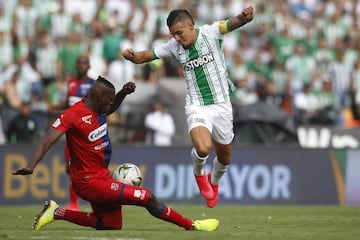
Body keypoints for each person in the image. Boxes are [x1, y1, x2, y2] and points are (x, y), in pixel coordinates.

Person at [12, 76, 219, 232]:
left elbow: (109, 108)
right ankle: (192, 225)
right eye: (110, 100)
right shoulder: (73, 115)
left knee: (110, 224)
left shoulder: (98, 107)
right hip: (88, 182)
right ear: (100, 97)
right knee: (147, 197)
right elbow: (47, 139)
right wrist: (31, 165)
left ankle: (56, 212)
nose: (112, 104)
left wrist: (122, 93)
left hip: (100, 176)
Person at [123, 6, 254, 208]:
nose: (176, 38)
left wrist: (245, 17)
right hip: (196, 104)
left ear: (191, 26)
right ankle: (199, 174)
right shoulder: (173, 47)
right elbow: (147, 55)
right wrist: (133, 56)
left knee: (225, 158)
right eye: (173, 34)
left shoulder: (211, 32)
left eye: (179, 32)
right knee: (203, 148)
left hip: (221, 105)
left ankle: (214, 182)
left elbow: (233, 23)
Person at [48, 54, 96, 211]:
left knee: (88, 168)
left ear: (88, 66)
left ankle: (95, 201)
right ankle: (73, 203)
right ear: (77, 66)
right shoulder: (71, 83)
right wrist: (55, 107)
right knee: (70, 167)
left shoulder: (93, 85)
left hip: (85, 130)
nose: (82, 66)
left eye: (84, 63)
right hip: (71, 131)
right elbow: (68, 103)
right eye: (79, 63)